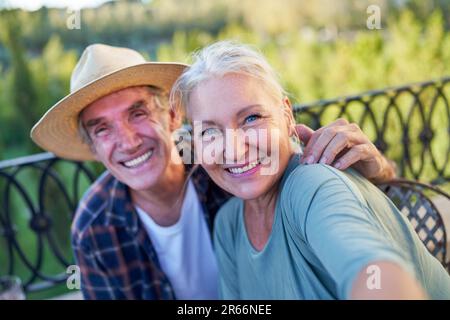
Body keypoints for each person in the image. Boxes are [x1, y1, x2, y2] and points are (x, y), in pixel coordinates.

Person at [31, 43, 396, 300]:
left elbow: (349, 212)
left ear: (174, 117)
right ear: (94, 148)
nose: (127, 141)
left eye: (138, 113)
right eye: (102, 129)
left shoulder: (227, 167)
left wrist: (377, 171)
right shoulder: (95, 227)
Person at [171, 40, 450, 299]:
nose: (233, 149)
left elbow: (373, 269)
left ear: (286, 115)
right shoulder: (228, 225)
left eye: (251, 118)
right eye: (209, 131)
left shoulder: (311, 183)